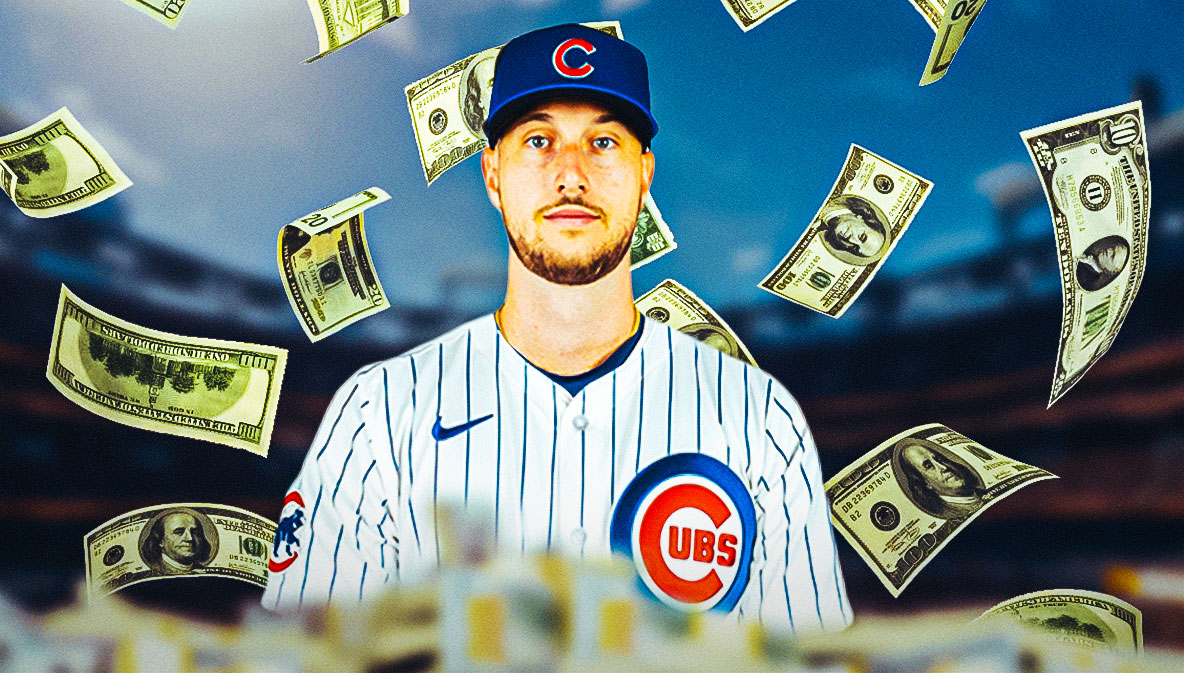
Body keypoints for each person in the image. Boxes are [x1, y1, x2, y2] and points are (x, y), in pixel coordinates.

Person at [263, 23, 851, 636]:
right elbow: (304, 655)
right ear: (492, 175)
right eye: (540, 141)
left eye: (602, 143)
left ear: (644, 173)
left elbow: (808, 655)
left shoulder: (757, 416)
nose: (571, 174)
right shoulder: (379, 410)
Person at [894, 440, 984, 519]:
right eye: (929, 466)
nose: (943, 467)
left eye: (939, 459)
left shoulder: (981, 491)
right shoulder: (946, 514)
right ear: (925, 483)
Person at [817, 195, 889, 264]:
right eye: (862, 236)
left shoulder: (819, 229)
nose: (851, 240)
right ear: (862, 218)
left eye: (855, 248)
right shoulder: (837, 203)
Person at [140, 508, 212, 573]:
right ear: (160, 540)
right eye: (179, 532)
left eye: (194, 532)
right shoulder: (155, 570)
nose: (190, 538)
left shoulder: (203, 570)